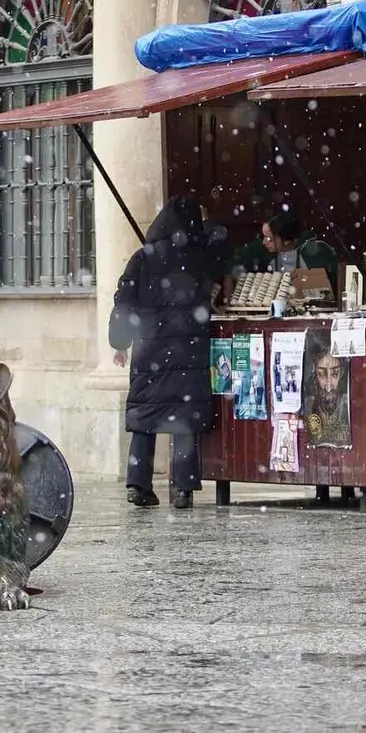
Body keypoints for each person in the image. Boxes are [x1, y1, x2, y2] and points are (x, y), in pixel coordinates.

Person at [108, 195, 232, 509]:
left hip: (149, 349)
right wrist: (206, 225)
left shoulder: (142, 258)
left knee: (145, 415)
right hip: (189, 349)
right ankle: (182, 488)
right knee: (183, 417)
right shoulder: (200, 258)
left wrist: (120, 342)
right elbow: (224, 244)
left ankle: (139, 483)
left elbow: (123, 301)